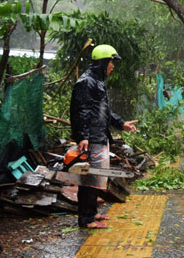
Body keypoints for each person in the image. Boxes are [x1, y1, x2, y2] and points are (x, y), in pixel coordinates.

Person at [70, 44, 138, 229]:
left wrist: (121, 124)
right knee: (89, 179)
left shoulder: (97, 81)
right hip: (91, 138)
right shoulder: (86, 82)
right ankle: (86, 219)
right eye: (111, 62)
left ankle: (92, 213)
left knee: (96, 177)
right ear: (103, 62)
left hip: (99, 135)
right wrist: (83, 136)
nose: (113, 66)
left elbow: (104, 111)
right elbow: (80, 111)